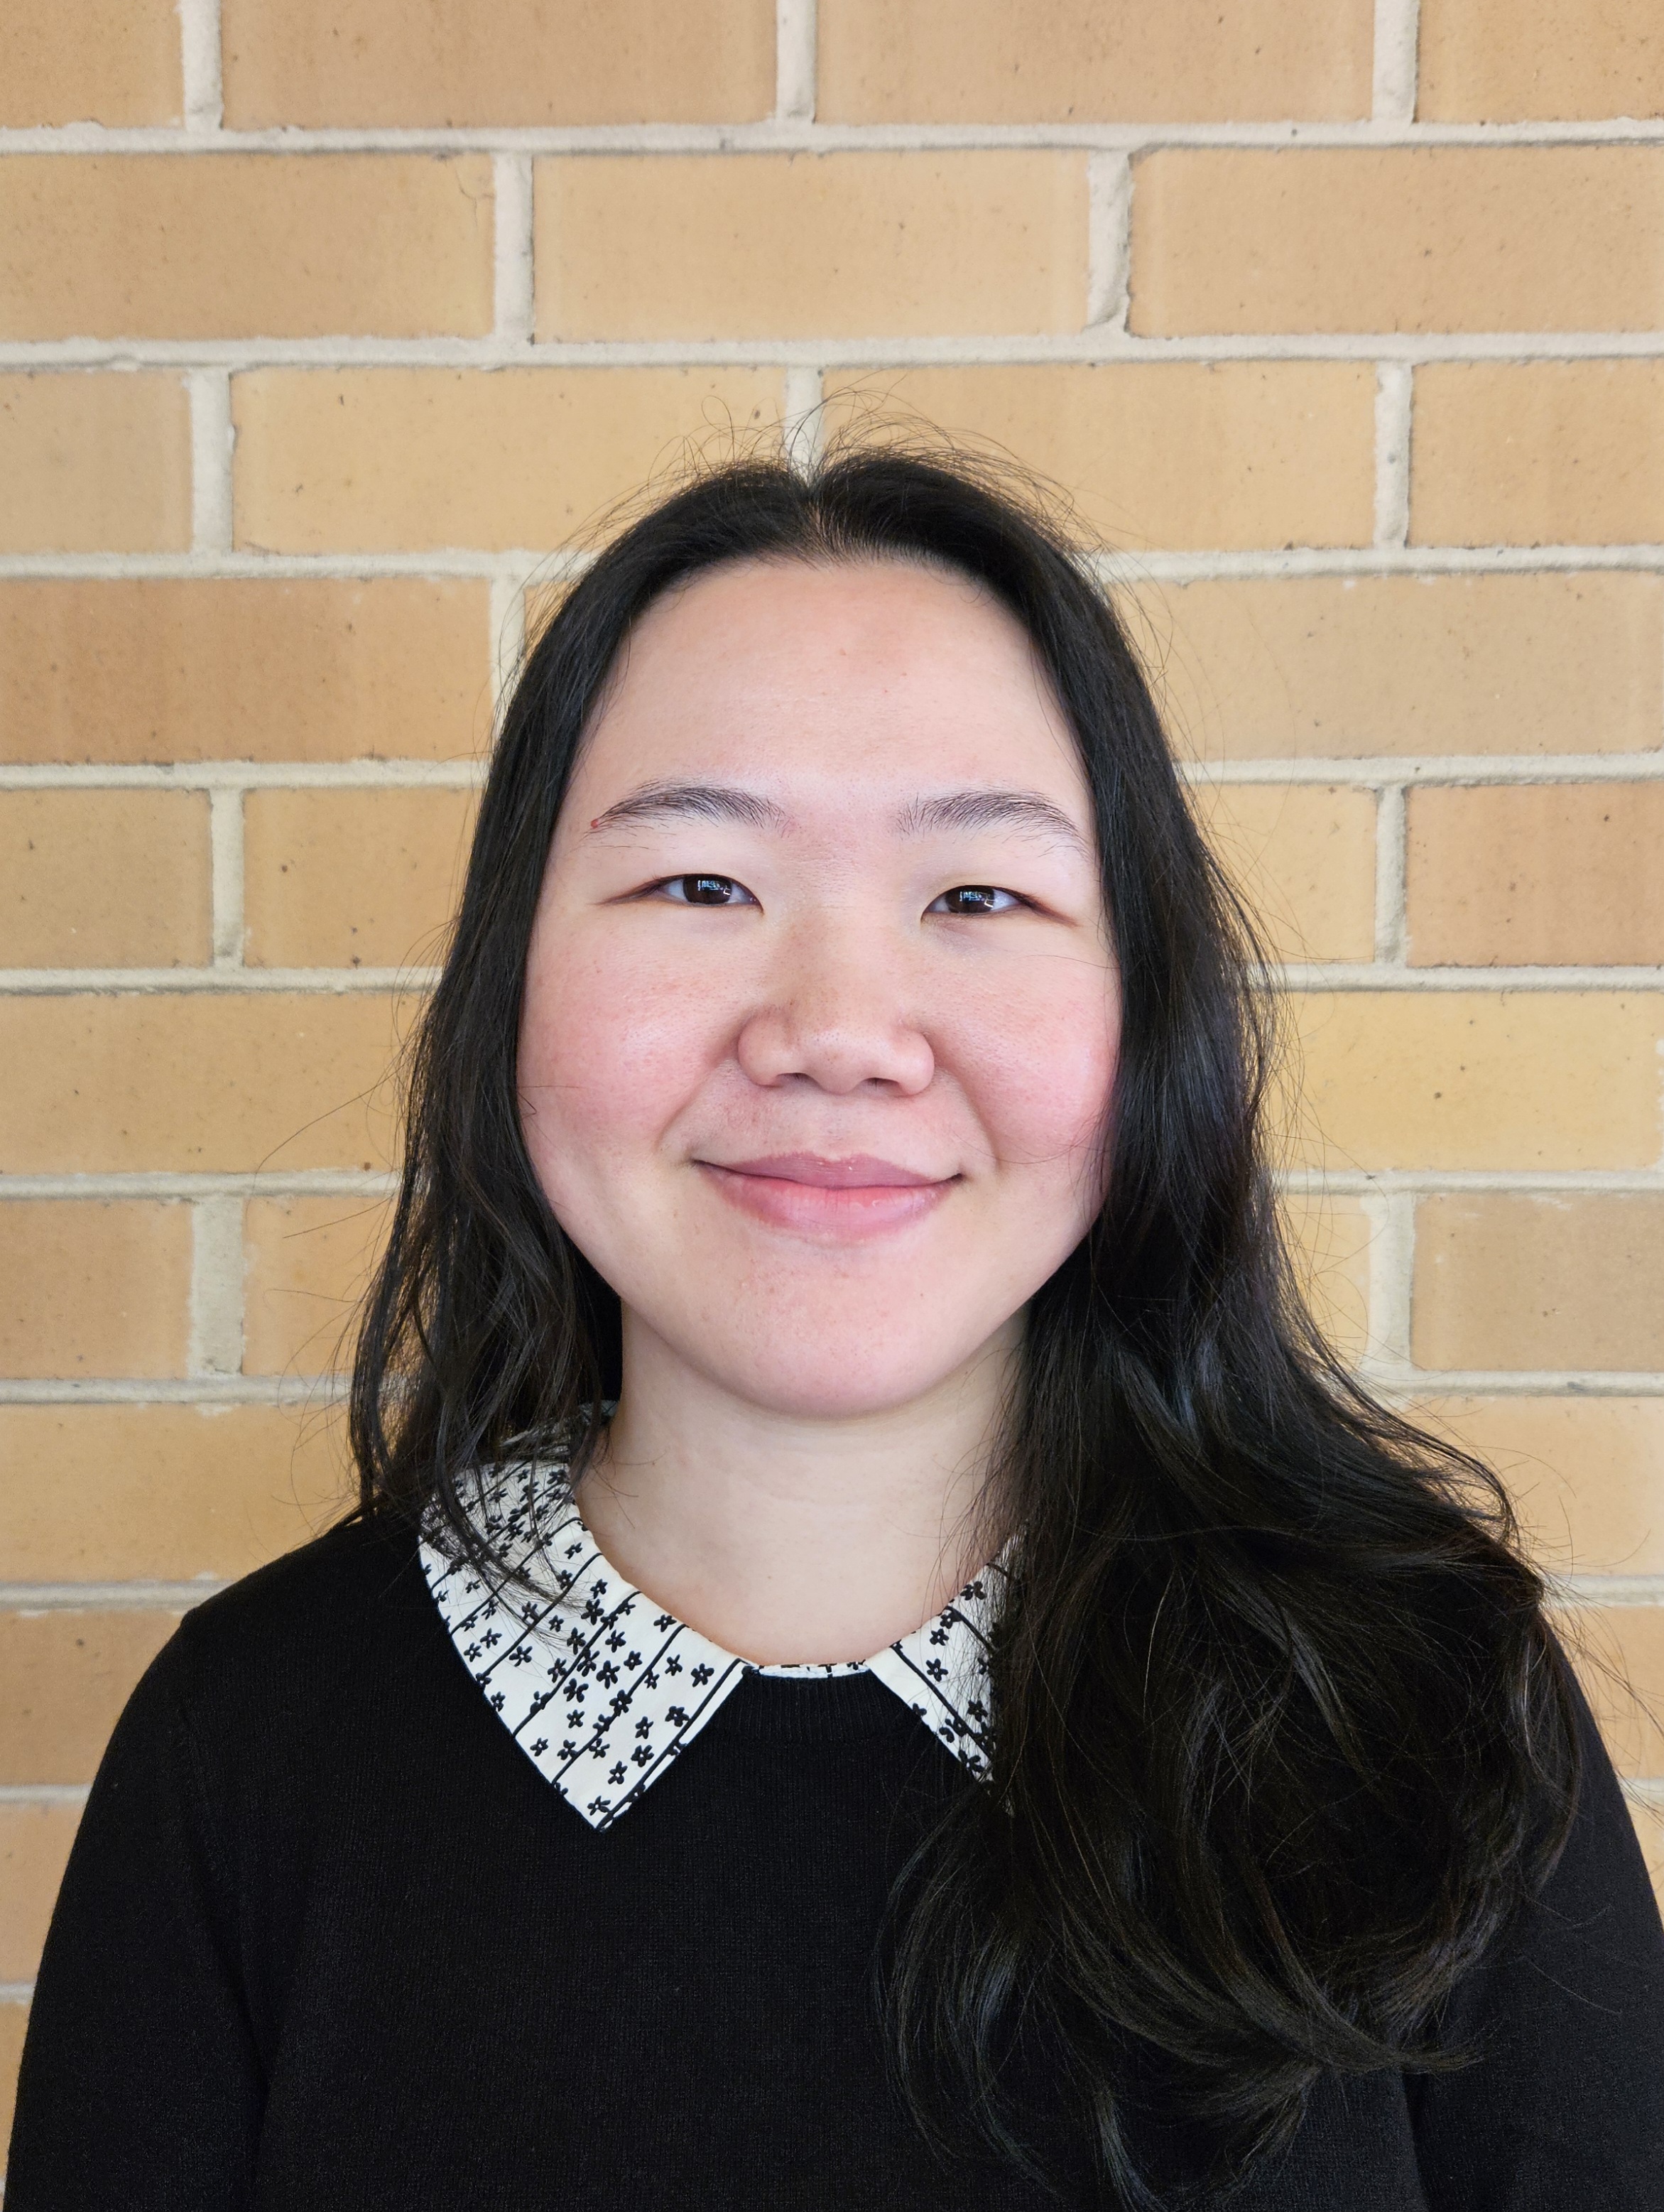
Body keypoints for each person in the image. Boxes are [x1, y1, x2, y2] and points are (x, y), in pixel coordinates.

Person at [9, 445, 1663, 2210]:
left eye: (977, 896)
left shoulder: (1420, 1714)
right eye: (700, 884)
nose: (838, 1031)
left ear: (1144, 1008)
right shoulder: (246, 1748)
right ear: (511, 981)